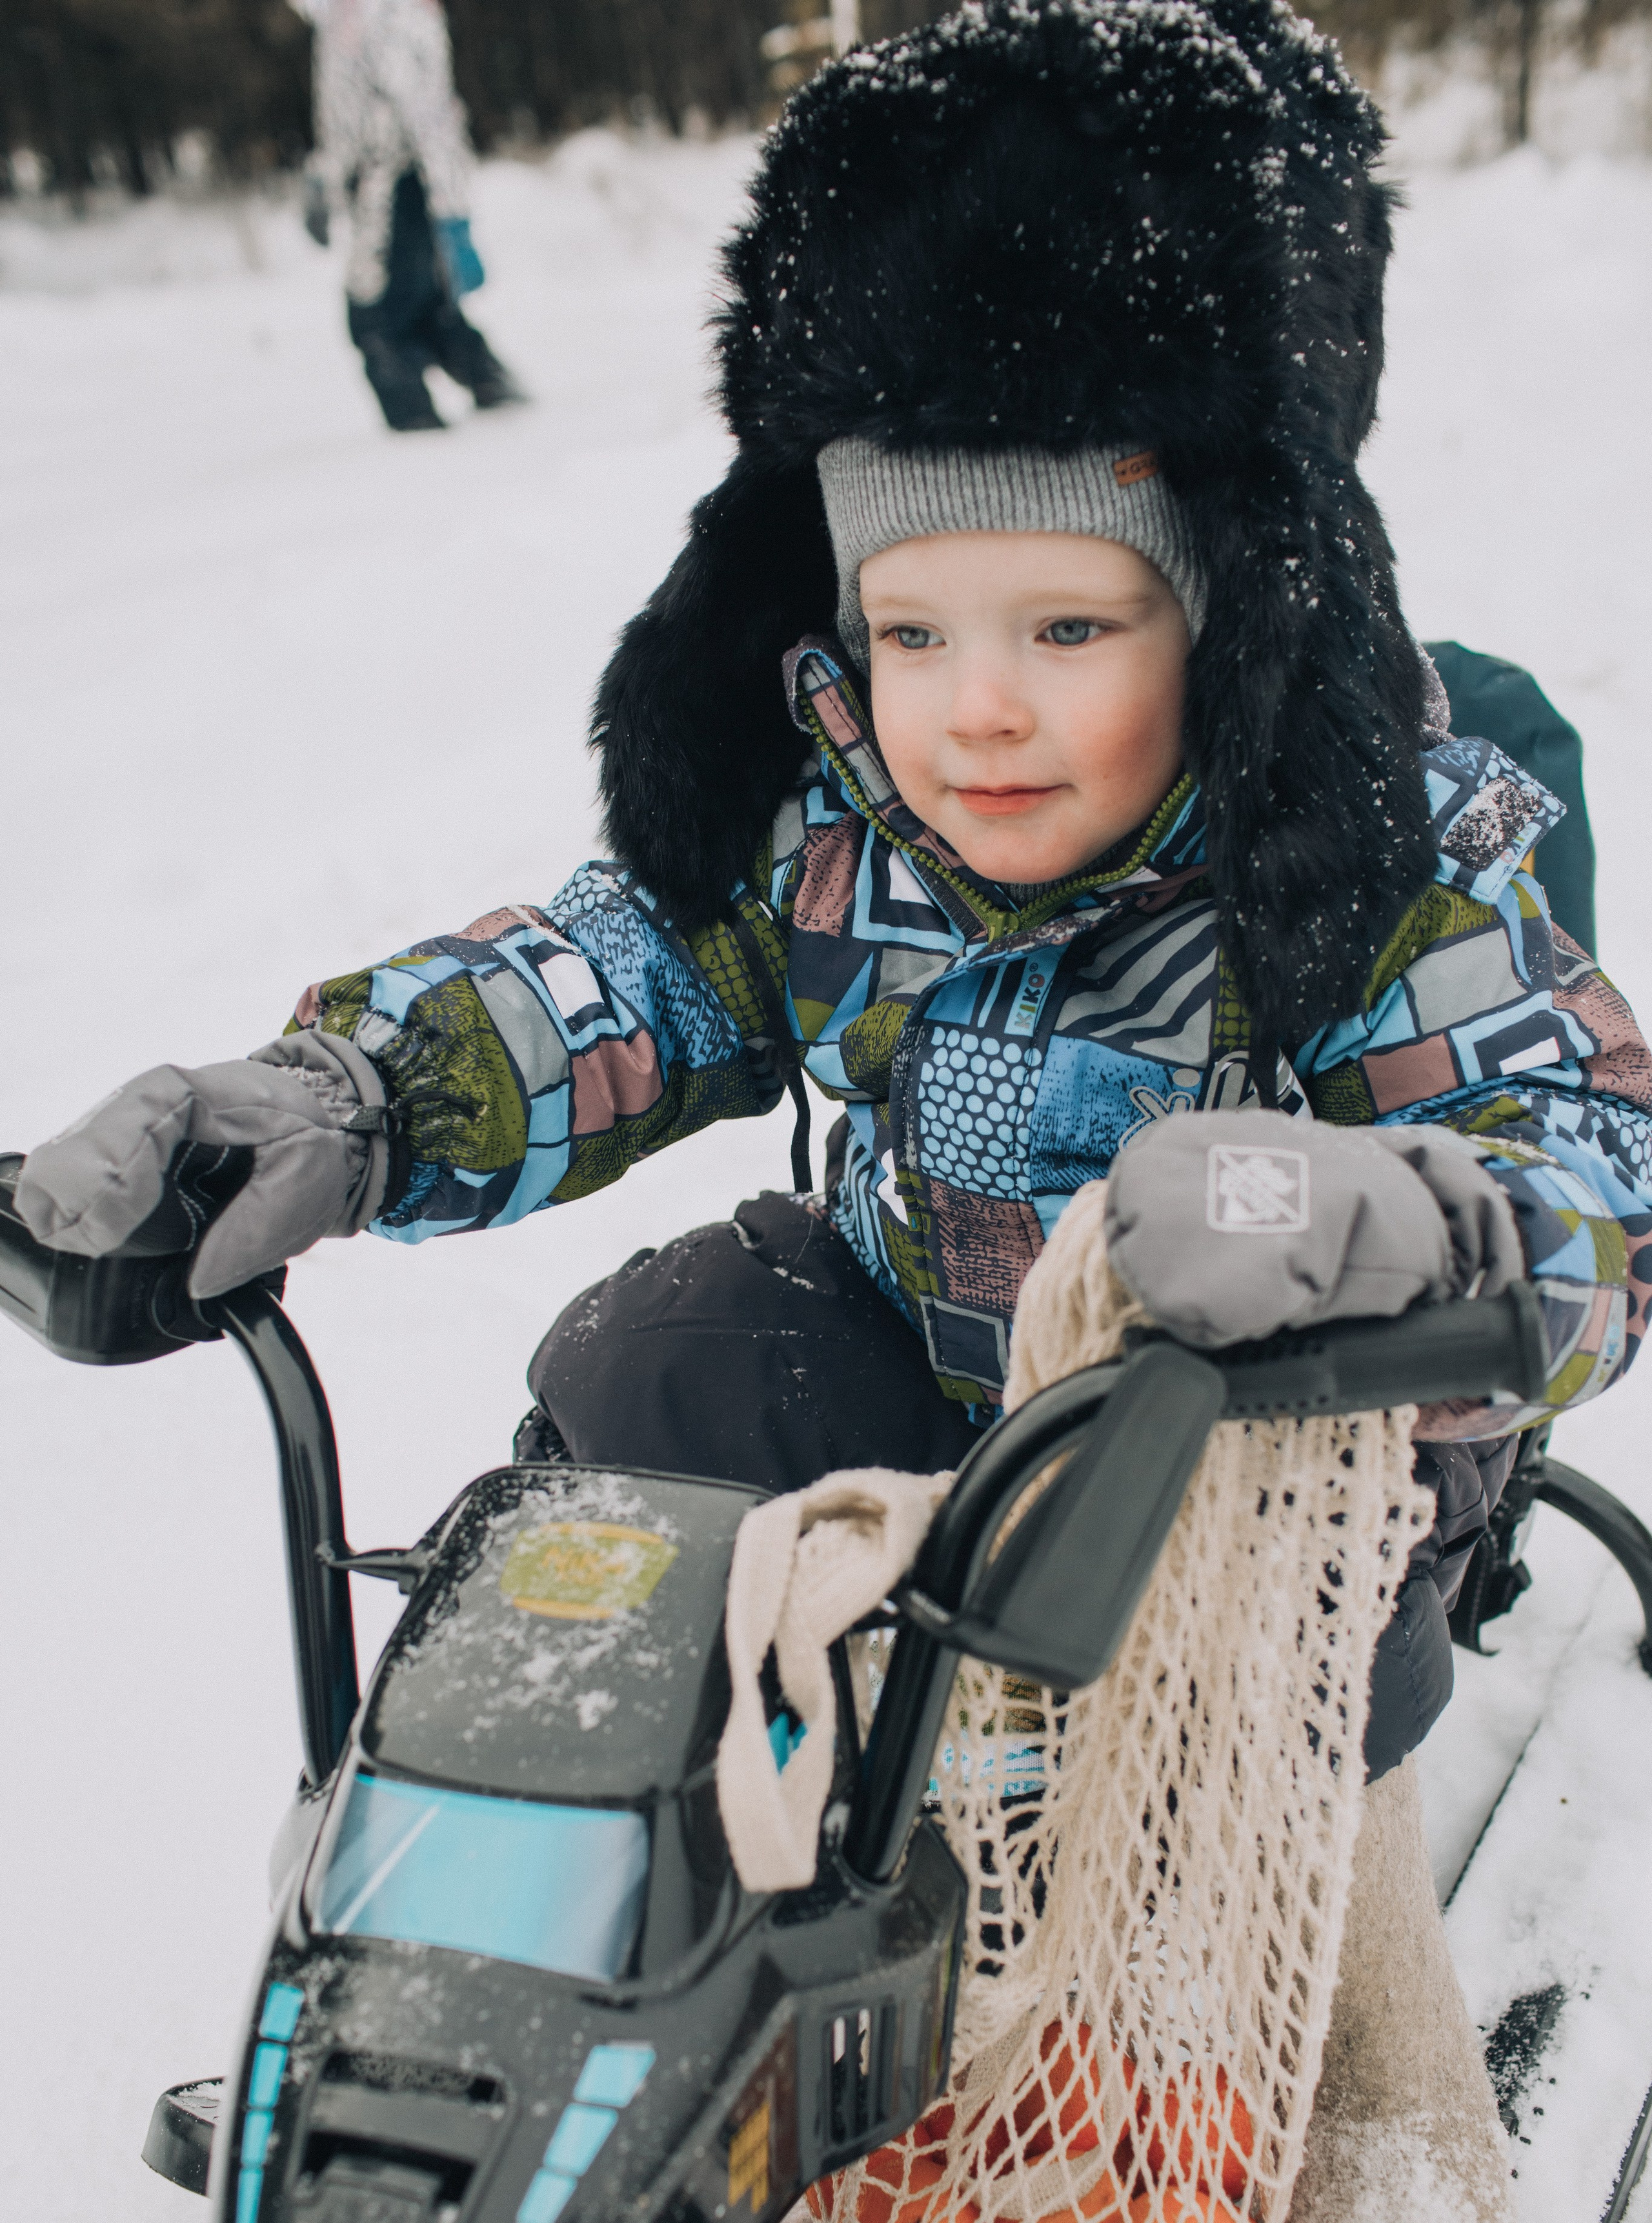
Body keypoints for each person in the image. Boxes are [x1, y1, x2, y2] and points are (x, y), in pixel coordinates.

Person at [17, 0, 1652, 1793]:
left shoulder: (1361, 856)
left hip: (1255, 1446)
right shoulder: (840, 825)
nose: (979, 707)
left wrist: (1425, 1238)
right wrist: (354, 1099)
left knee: (1238, 1538)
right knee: (663, 1354)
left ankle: (1162, 1964)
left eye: (1071, 629)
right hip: (927, 1383)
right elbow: (615, 978)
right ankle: (577, 1845)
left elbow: (1589, 1157)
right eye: (914, 632)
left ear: (1230, 629)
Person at [290, 0, 521, 431]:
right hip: (385, 184)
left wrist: (453, 214)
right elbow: (347, 110)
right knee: (420, 303)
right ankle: (492, 386)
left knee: (374, 318)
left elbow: (427, 115)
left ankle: (420, 433)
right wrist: (326, 177)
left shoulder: (384, 13)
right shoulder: (349, 13)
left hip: (394, 184)